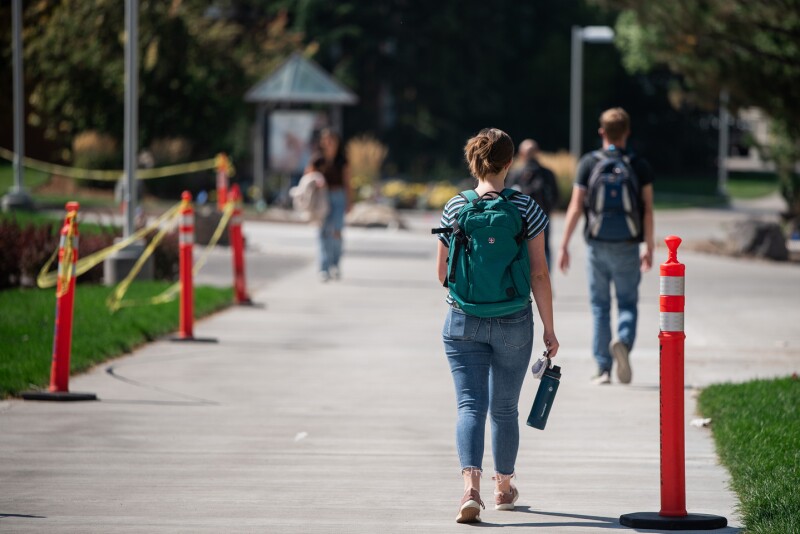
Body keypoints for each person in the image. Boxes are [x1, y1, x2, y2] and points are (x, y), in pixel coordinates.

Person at [436, 128, 559, 523]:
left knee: (470, 406)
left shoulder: (455, 207)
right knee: (504, 409)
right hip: (513, 320)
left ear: (473, 161)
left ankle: (469, 489)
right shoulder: (528, 209)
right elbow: (539, 274)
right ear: (510, 163)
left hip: (463, 320)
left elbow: (442, 273)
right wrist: (549, 329)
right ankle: (503, 487)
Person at [557, 107, 654, 385]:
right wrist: (648, 246)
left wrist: (564, 245)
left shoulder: (589, 163)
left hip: (596, 246)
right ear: (627, 132)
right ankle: (622, 340)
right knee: (627, 302)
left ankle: (603, 368)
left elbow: (576, 207)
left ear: (602, 132)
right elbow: (647, 210)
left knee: (599, 306)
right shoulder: (638, 164)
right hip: (627, 245)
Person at [507, 139, 560, 270]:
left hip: (519, 220)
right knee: (543, 249)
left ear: (521, 154)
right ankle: (545, 279)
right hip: (542, 217)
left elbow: (506, 196)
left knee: (519, 249)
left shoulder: (515, 173)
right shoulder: (547, 173)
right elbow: (556, 197)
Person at [318, 129, 353, 282]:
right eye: (326, 140)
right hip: (322, 198)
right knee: (324, 232)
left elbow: (347, 182)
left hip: (338, 197)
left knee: (337, 231)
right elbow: (308, 178)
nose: (329, 143)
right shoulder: (317, 160)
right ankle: (324, 267)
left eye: (332, 140)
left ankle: (335, 264)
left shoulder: (342, 160)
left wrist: (349, 201)